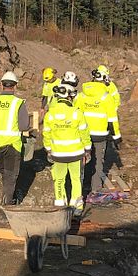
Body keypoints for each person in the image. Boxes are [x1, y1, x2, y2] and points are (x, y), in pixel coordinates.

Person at [43, 82, 91, 216]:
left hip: (58, 154)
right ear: (69, 97)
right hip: (76, 153)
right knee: (76, 179)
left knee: (59, 179)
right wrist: (87, 149)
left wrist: (48, 149)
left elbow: (46, 134)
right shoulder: (77, 113)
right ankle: (76, 208)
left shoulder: (50, 115)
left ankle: (60, 205)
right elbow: (84, 134)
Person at [0, 71, 30, 205]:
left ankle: (7, 198)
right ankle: (7, 204)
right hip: (12, 145)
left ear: (1, 85)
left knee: (5, 173)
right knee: (11, 176)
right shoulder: (17, 103)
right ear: (15, 86)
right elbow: (23, 126)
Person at [74, 69, 121, 195]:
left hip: (83, 134)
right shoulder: (107, 97)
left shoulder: (81, 95)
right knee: (98, 161)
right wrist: (117, 137)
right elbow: (112, 120)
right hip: (100, 135)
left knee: (83, 160)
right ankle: (95, 187)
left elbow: (74, 113)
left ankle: (82, 186)